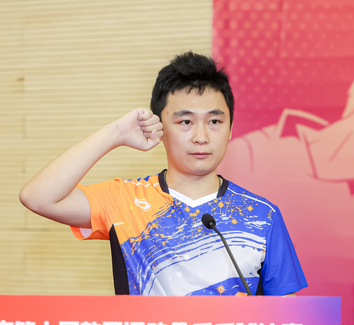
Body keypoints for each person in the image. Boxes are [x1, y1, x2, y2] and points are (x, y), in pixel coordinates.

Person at [18, 52, 307, 296]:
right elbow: (38, 197)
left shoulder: (263, 215)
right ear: (160, 128)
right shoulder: (124, 200)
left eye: (215, 121)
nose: (201, 137)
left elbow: (288, 322)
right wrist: (114, 134)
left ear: (231, 129)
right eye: (185, 122)